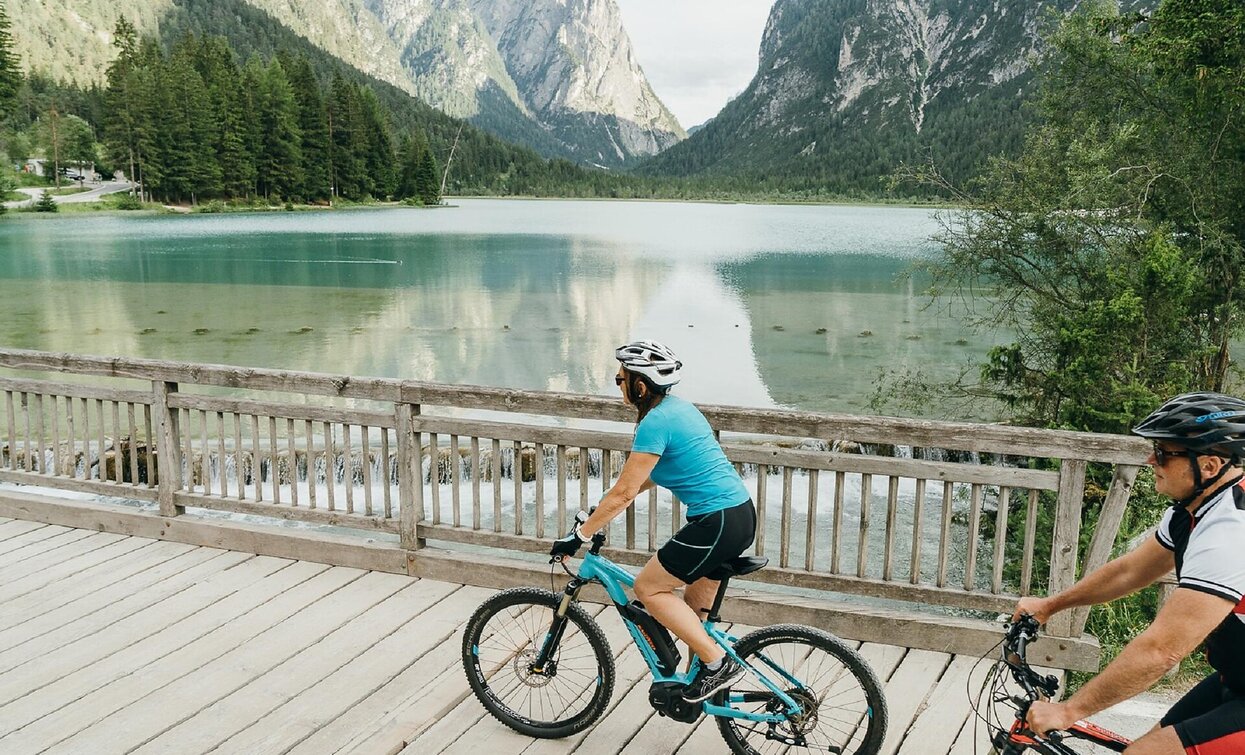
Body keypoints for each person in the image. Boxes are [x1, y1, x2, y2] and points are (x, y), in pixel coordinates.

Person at [1014, 392, 1245, 754]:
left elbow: (1161, 651)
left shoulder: (1229, 533)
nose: (1152, 459)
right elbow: (1131, 571)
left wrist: (1069, 710)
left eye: (1165, 453)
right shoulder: (1194, 510)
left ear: (1211, 466)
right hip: (1235, 680)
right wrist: (1050, 605)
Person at [548, 339, 757, 703]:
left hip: (715, 523)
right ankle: (705, 691)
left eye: (620, 380)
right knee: (692, 611)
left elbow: (626, 492)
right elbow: (647, 478)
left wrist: (579, 535)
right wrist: (602, 508)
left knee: (649, 588)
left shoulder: (654, 423)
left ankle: (717, 664)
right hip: (740, 514)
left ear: (640, 386)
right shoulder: (681, 409)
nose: (619, 387)